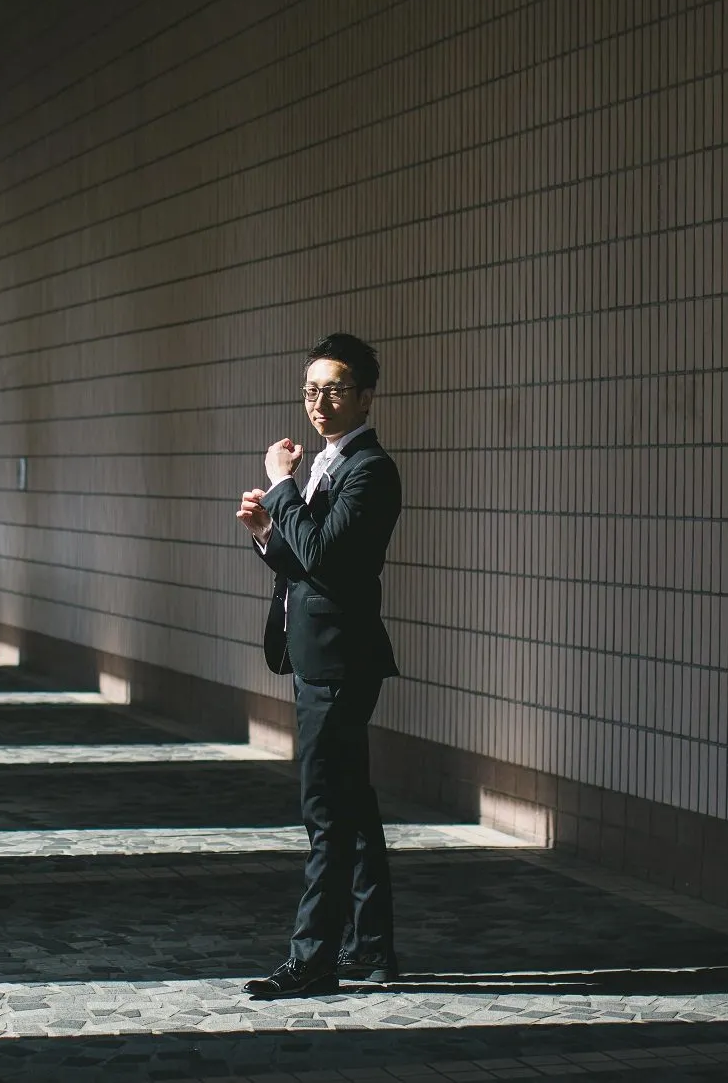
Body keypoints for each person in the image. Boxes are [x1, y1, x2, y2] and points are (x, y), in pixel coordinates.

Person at [235, 332, 401, 999]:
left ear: (364, 393)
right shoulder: (331, 464)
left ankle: (312, 959)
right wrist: (268, 536)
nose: (319, 402)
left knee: (326, 810)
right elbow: (309, 561)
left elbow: (330, 559)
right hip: (320, 653)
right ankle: (372, 947)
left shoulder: (370, 468)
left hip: (339, 660)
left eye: (333, 388)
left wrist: (280, 488)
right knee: (352, 807)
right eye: (310, 389)